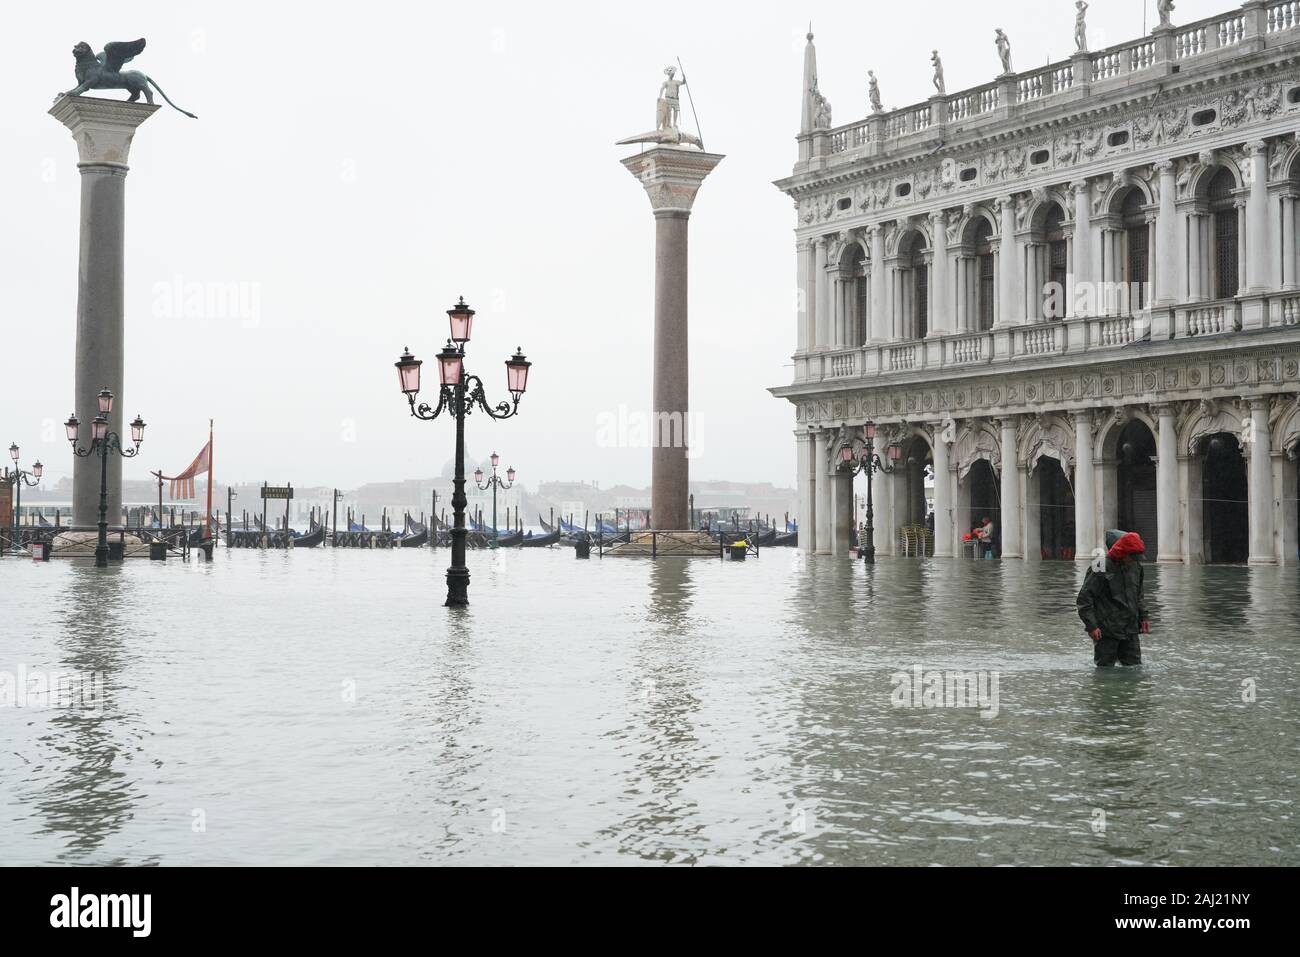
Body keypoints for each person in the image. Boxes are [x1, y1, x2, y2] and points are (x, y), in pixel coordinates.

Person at [1077, 530, 1150, 667]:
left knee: (1134, 667)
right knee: (1105, 669)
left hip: (1130, 630)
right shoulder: (1100, 566)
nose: (1134, 560)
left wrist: (1144, 618)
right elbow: (1084, 599)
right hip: (1106, 631)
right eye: (1131, 556)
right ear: (1122, 553)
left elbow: (1139, 596)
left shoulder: (1136, 567)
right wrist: (1092, 626)